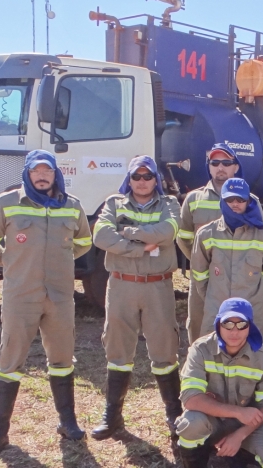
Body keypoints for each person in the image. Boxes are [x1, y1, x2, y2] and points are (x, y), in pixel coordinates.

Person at [0, 149, 92, 458]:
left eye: (47, 171)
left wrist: (62, 261)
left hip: (60, 297)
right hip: (21, 296)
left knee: (63, 359)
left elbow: (84, 242)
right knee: (10, 362)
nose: (42, 176)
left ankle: (67, 421)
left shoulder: (72, 206)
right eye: (36, 171)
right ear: (28, 173)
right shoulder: (7, 203)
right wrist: (11, 262)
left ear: (55, 174)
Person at [90, 156, 183, 440]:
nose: (142, 182)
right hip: (121, 286)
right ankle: (113, 416)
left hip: (158, 286)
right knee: (117, 350)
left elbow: (167, 233)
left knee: (165, 350)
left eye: (147, 176)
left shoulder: (170, 204)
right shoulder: (114, 203)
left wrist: (127, 232)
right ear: (129, 179)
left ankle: (174, 414)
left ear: (156, 179)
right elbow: (101, 236)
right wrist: (140, 247)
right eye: (137, 176)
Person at [175, 298, 263, 468]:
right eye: (228, 324)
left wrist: (240, 435)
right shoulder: (201, 349)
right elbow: (190, 398)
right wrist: (238, 412)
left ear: (250, 327)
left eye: (241, 325)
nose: (234, 331)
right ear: (218, 324)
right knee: (190, 424)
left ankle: (243, 453)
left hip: (247, 424)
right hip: (211, 419)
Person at [177, 143, 263, 343]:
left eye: (226, 162)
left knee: (240, 327)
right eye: (215, 163)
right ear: (209, 166)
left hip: (241, 280)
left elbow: (260, 242)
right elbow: (184, 237)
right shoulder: (193, 199)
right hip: (204, 279)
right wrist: (202, 263)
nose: (220, 167)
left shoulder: (252, 202)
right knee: (200, 327)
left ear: (236, 167)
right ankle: (200, 369)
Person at [191, 178, 263, 337]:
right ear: (222, 200)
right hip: (216, 311)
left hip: (250, 313)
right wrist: (212, 298)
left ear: (248, 201)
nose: (235, 203)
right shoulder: (206, 234)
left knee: (249, 357)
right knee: (212, 356)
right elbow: (199, 273)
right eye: (230, 199)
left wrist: (258, 300)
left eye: (240, 199)